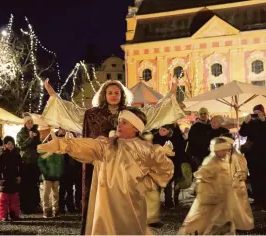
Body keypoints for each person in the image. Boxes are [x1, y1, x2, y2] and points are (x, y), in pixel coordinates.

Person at [42, 78, 184, 234]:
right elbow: (70, 111)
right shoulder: (92, 114)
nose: (113, 95)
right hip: (100, 166)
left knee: (126, 205)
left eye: (117, 92)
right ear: (104, 94)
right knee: (102, 204)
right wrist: (52, 94)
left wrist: (171, 93)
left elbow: (155, 111)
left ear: (122, 94)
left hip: (126, 166)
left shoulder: (132, 113)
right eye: (110, 92)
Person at [178, 137, 237, 235]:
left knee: (222, 218)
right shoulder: (212, 162)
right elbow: (200, 174)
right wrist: (207, 186)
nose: (226, 152)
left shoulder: (224, 161)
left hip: (223, 196)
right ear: (216, 150)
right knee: (204, 219)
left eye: (227, 150)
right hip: (211, 197)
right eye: (223, 150)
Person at [239, 104, 266, 211]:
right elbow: (242, 133)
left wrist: (263, 120)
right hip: (252, 155)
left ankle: (264, 201)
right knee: (254, 178)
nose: (256, 114)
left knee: (263, 178)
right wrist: (245, 123)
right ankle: (256, 200)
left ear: (263, 112)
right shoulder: (250, 122)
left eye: (258, 112)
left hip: (264, 155)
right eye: (254, 112)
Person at [220, 133, 254, 231]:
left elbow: (242, 171)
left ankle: (241, 225)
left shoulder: (236, 156)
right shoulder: (226, 155)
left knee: (239, 206)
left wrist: (234, 182)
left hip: (236, 185)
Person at [17, 113, 41, 213]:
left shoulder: (36, 132)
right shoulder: (20, 134)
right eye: (28, 122)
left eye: (31, 122)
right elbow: (20, 146)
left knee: (34, 184)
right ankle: (25, 206)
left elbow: (38, 146)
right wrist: (30, 138)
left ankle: (34, 204)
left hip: (34, 161)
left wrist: (36, 138)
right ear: (25, 124)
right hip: (25, 162)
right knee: (25, 185)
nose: (30, 124)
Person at [0, 136, 22, 221]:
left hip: (14, 179)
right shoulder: (1, 156)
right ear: (5, 145)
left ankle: (14, 215)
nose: (10, 146)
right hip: (4, 180)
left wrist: (19, 176)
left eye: (12, 144)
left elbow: (20, 167)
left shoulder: (17, 155)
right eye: (8, 144)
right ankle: (3, 215)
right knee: (4, 199)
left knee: (14, 199)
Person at [38, 132, 64, 218]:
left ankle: (55, 210)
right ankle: (46, 210)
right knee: (46, 194)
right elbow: (41, 162)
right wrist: (45, 172)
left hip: (56, 176)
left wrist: (59, 172)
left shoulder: (59, 153)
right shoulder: (46, 151)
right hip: (48, 177)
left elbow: (61, 164)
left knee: (55, 194)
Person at [186, 107, 211, 172]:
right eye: (201, 114)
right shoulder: (195, 126)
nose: (203, 115)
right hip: (197, 155)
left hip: (208, 154)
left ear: (207, 114)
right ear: (199, 115)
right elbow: (191, 140)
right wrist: (193, 155)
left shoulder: (211, 125)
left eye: (204, 113)